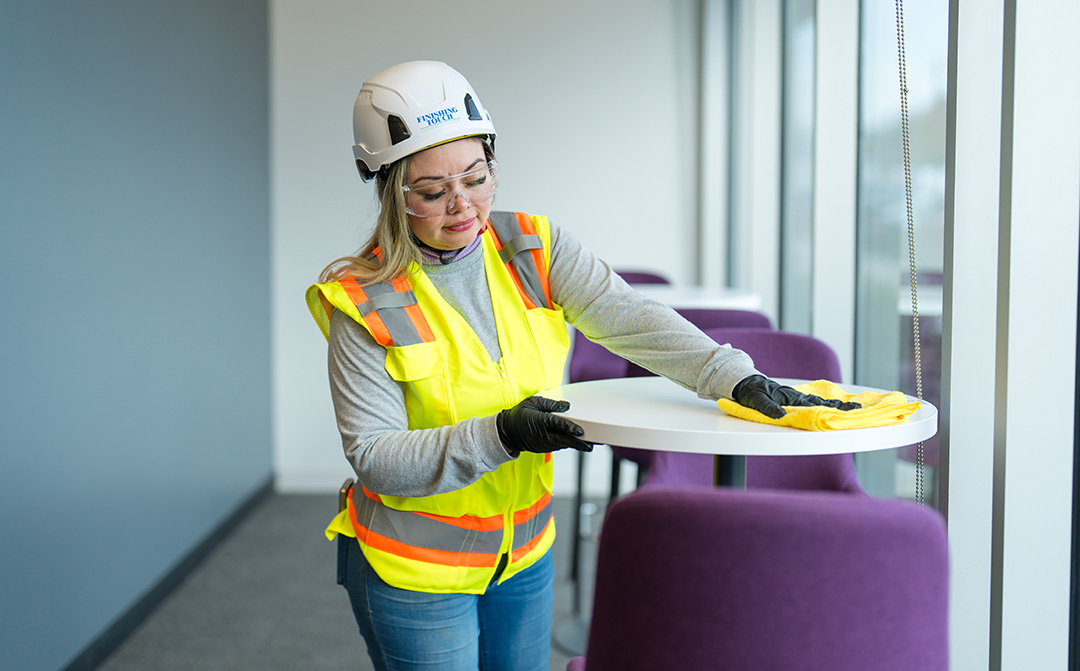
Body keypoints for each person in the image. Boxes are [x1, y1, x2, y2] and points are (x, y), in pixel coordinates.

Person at [305, 60, 857, 671]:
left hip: (522, 555)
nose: (464, 205)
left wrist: (733, 375)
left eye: (477, 177)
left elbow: (628, 316)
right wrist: (502, 434)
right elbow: (378, 459)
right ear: (388, 189)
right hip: (415, 571)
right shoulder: (363, 300)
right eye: (433, 192)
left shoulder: (531, 247)